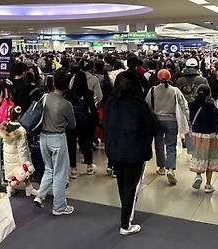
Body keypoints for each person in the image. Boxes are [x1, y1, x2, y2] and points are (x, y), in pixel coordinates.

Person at [104, 70, 157, 236]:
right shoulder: (139, 104)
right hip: (135, 150)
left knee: (122, 185)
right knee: (131, 187)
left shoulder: (111, 102)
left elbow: (105, 125)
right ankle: (126, 223)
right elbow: (152, 127)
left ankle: (125, 213)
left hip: (115, 150)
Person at [32, 68, 76, 216]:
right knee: (60, 173)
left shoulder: (44, 97)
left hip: (43, 138)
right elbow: (73, 125)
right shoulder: (66, 104)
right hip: (57, 138)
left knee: (49, 169)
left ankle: (40, 195)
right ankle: (59, 207)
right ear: (66, 86)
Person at [146, 69, 190, 185]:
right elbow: (184, 105)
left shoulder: (152, 91)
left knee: (158, 144)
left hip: (157, 121)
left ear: (158, 78)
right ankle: (170, 169)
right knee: (171, 145)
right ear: (170, 78)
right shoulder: (175, 91)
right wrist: (188, 119)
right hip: (172, 121)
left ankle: (161, 167)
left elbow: (147, 106)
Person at [66, 60, 100, 178]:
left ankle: (73, 169)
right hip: (85, 121)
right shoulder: (89, 93)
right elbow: (93, 107)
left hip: (71, 122)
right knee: (86, 143)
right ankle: (89, 166)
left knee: (71, 145)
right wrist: (95, 120)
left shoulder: (69, 93)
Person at [188, 85, 218, 193]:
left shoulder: (191, 105)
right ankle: (208, 185)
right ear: (209, 94)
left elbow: (189, 119)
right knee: (210, 159)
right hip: (210, 136)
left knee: (199, 156)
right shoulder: (211, 106)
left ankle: (198, 175)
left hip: (196, 135)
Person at [0, 106, 36, 197]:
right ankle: (29, 188)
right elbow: (22, 148)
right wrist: (25, 164)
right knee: (25, 174)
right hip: (18, 158)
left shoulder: (5, 128)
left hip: (8, 157)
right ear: (19, 117)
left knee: (10, 174)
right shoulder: (21, 131)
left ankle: (9, 190)